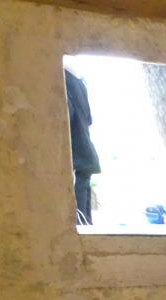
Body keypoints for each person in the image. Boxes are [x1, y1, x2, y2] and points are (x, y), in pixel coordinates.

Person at [64, 68, 101, 225]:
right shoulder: (77, 81)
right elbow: (88, 119)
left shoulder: (60, 80)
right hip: (84, 159)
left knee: (77, 224)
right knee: (83, 224)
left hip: (75, 162)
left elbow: (66, 117)